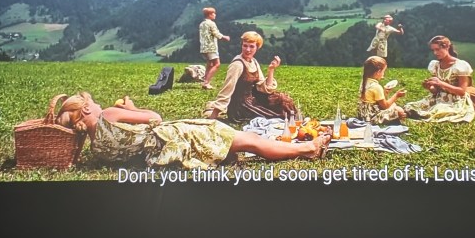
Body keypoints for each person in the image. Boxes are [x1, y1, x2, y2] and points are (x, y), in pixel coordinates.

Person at [55, 92, 328, 169]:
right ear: (87, 110)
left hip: (166, 155)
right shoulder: (108, 115)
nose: (96, 103)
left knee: (242, 144)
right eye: (91, 102)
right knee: (250, 140)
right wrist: (132, 108)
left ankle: (229, 155)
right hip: (176, 137)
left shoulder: (97, 149)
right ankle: (307, 148)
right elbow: (154, 118)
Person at [203, 31, 297, 121]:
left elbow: (262, 87)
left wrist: (271, 70)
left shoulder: (254, 62)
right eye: (245, 45)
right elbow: (227, 89)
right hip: (240, 107)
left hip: (253, 100)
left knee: (283, 102)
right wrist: (214, 115)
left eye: (252, 46)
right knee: (278, 117)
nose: (248, 50)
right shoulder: (237, 65)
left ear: (257, 48)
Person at [404, 35, 475, 123]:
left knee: (438, 110)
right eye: (433, 50)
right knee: (410, 106)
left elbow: (462, 92)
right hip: (439, 98)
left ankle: (419, 115)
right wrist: (430, 87)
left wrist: (440, 83)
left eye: (437, 49)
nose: (435, 53)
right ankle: (415, 114)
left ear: (447, 47)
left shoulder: (460, 65)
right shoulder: (435, 65)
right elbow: (436, 91)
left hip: (455, 100)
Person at [357, 56, 407, 125]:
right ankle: (396, 120)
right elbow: (385, 106)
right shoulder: (376, 87)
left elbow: (378, 103)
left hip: (363, 115)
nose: (383, 74)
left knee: (393, 105)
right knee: (399, 111)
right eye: (383, 71)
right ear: (378, 72)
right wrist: (396, 95)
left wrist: (385, 92)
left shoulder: (364, 82)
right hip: (372, 118)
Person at [199, 7, 230, 90]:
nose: (215, 15)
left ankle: (205, 80)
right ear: (210, 15)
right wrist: (225, 37)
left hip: (204, 47)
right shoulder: (211, 23)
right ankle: (206, 83)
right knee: (217, 64)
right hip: (211, 47)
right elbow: (216, 33)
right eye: (214, 13)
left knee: (209, 64)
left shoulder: (202, 24)